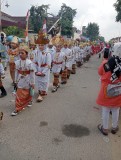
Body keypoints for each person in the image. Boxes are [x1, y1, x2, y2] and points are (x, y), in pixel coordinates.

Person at [96, 43, 121, 135]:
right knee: (116, 108)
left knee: (106, 109)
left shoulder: (106, 62)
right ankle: (114, 127)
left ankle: (105, 128)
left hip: (106, 88)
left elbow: (100, 72)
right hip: (119, 89)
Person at [11, 44, 35, 116]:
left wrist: (32, 82)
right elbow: (16, 72)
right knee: (19, 93)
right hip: (20, 80)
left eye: (22, 53)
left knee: (27, 92)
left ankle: (29, 101)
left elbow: (32, 73)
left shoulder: (30, 63)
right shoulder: (17, 62)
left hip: (28, 79)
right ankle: (18, 108)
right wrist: (15, 80)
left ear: (27, 54)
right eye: (20, 53)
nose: (20, 54)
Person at [34, 31, 51, 102]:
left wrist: (43, 72)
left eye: (42, 45)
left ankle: (42, 94)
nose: (40, 46)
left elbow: (48, 65)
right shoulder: (36, 52)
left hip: (44, 70)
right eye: (39, 45)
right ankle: (40, 91)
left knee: (44, 81)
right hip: (38, 68)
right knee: (38, 81)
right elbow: (34, 62)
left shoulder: (47, 53)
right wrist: (35, 70)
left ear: (45, 45)